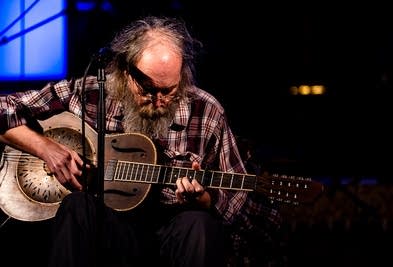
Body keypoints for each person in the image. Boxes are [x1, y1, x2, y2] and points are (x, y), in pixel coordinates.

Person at [0, 16, 284, 267]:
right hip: (107, 232)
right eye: (147, 89)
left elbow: (240, 198)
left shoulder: (206, 110)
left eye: (169, 90)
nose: (159, 100)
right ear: (125, 73)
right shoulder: (89, 92)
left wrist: (205, 200)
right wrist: (44, 147)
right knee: (78, 206)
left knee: (199, 224)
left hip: (170, 235)